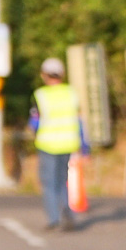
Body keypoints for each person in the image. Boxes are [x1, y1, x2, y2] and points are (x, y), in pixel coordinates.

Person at [30, 57, 82, 230]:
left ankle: (54, 219)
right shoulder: (71, 93)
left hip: (47, 144)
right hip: (68, 143)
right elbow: (80, 120)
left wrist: (35, 133)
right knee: (62, 181)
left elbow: (35, 122)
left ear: (44, 75)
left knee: (49, 183)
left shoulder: (40, 95)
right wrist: (84, 146)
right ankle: (67, 213)